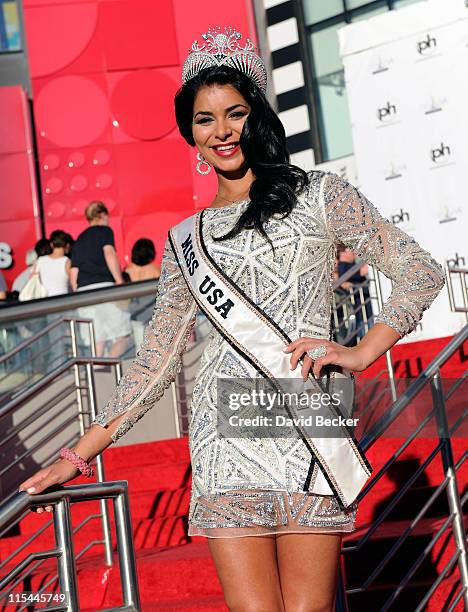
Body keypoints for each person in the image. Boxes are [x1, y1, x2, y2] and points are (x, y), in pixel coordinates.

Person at [20, 26, 446, 611]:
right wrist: (75, 455)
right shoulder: (184, 239)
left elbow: (421, 270)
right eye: (204, 119)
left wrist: (360, 351)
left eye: (235, 113)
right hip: (225, 446)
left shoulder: (320, 195)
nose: (221, 131)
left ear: (258, 116)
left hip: (307, 427)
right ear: (189, 133)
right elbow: (156, 361)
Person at [70, 201, 132, 357]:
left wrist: (76, 291)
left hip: (83, 290)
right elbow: (109, 252)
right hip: (104, 285)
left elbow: (74, 270)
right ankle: (111, 367)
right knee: (123, 334)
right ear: (102, 215)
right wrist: (119, 281)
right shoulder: (104, 231)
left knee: (97, 339)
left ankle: (98, 372)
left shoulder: (79, 239)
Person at [30, 230, 71, 297]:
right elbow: (74, 283)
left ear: (51, 245)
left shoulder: (40, 260)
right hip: (63, 301)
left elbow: (32, 280)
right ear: (67, 245)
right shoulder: (67, 262)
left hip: (44, 301)